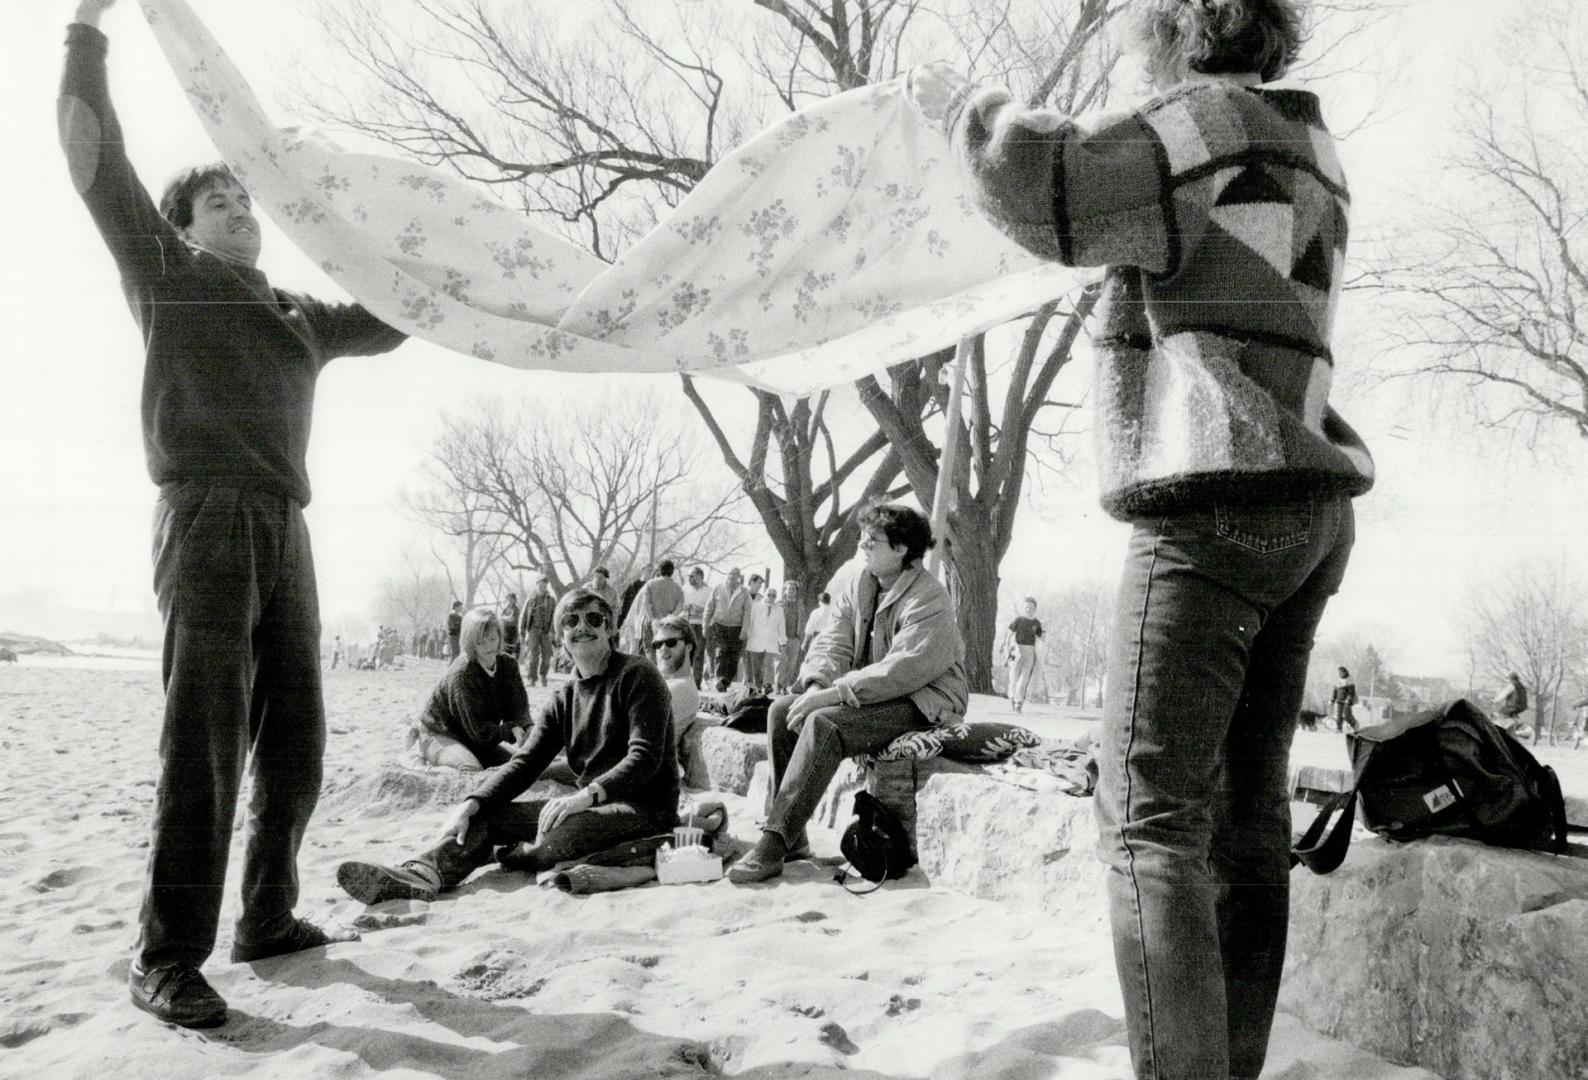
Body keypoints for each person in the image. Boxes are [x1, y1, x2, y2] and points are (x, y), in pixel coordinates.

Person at [941, 0, 1374, 1074]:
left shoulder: (1200, 122)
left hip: (1213, 504)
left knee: (1145, 822)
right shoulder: (1308, 144)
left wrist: (952, 105)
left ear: (1179, 29)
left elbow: (1040, 188)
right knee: (1244, 822)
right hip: (1311, 509)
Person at [59, 0, 420, 1029]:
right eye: (217, 201)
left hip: (286, 529)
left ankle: (267, 915)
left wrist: (449, 259)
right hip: (206, 517)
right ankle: (166, 954)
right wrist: (86, 28)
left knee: (297, 739)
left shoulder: (300, 316)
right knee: (205, 741)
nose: (240, 211)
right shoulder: (170, 278)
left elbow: (400, 313)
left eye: (245, 202)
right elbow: (92, 155)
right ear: (181, 228)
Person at [336, 587, 681, 905]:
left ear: (609, 629)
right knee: (486, 819)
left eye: (594, 619)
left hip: (645, 808)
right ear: (559, 636)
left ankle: (503, 852)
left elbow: (644, 757)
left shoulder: (638, 674)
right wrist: (473, 803)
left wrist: (584, 795)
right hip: (588, 806)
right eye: (570, 621)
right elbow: (527, 762)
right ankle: (421, 874)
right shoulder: (565, 696)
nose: (582, 628)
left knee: (560, 836)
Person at [729, 504, 968, 883]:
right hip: (870, 695)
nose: (862, 545)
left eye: (872, 540)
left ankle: (773, 842)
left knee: (826, 723)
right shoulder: (860, 584)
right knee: (781, 711)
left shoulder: (930, 597)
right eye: (863, 537)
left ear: (902, 548)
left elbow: (901, 672)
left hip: (923, 700)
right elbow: (832, 645)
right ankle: (793, 841)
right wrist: (813, 686)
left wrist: (827, 698)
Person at [407, 608, 529, 770]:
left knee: (526, 766)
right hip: (441, 732)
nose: (488, 646)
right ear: (470, 643)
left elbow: (518, 708)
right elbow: (477, 731)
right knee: (470, 768)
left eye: (492, 638)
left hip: (475, 737)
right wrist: (508, 731)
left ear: (500, 635)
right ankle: (418, 762)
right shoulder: (462, 673)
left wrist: (527, 728)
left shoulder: (509, 665)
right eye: (480, 642)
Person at [650, 612, 702, 760]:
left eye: (671, 642)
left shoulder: (682, 688)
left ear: (688, 647)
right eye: (658, 644)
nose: (663, 649)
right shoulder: (663, 684)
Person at [703, 567, 750, 693]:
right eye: (730, 575)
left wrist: (745, 630)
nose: (732, 578)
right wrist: (705, 625)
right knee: (721, 651)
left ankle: (726, 681)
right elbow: (709, 608)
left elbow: (747, 612)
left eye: (735, 576)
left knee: (734, 656)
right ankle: (719, 679)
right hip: (719, 625)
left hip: (736, 627)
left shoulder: (744, 592)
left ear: (739, 578)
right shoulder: (718, 588)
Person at [742, 575, 785, 696]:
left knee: (768, 664)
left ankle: (767, 685)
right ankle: (757, 687)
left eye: (773, 595)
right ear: (765, 595)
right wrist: (746, 634)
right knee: (756, 666)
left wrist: (783, 641)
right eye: (769, 594)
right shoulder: (756, 606)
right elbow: (750, 622)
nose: (771, 597)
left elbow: (781, 626)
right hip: (756, 640)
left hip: (770, 641)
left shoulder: (779, 609)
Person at [1001, 597, 1044, 713]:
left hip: (1029, 652)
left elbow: (1041, 638)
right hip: (1017, 651)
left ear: (1035, 609)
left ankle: (1018, 703)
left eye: (1031, 607)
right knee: (1014, 676)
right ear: (1023, 608)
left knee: (1024, 679)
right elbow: (1008, 635)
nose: (1028, 609)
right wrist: (1007, 651)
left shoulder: (1036, 623)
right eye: (1026, 607)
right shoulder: (1018, 621)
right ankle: (1012, 699)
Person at [631, 559, 685, 650]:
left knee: (649, 650)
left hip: (651, 622)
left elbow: (645, 603)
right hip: (668, 624)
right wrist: (669, 618)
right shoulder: (678, 588)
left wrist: (652, 618)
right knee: (664, 650)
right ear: (672, 572)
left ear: (660, 570)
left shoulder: (650, 584)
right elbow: (680, 607)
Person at [518, 577, 558, 688]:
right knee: (532, 656)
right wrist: (521, 632)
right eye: (540, 585)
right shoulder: (530, 600)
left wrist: (553, 631)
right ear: (536, 586)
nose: (542, 587)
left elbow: (555, 617)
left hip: (546, 631)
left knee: (546, 655)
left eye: (545, 585)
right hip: (533, 631)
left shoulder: (551, 600)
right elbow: (523, 616)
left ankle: (543, 676)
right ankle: (531, 679)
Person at [682, 566, 712, 687]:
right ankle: (684, 681)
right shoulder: (684, 589)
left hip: (700, 625)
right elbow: (679, 606)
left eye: (692, 576)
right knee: (685, 653)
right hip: (686, 624)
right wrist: (685, 607)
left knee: (698, 654)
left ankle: (696, 682)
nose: (689, 578)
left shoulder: (709, 591)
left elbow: (713, 610)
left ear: (700, 576)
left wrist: (702, 610)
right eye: (688, 576)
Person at [775, 580, 807, 694]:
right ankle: (777, 686)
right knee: (781, 663)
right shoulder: (780, 604)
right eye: (789, 589)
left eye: (793, 589)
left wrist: (800, 637)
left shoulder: (800, 605)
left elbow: (802, 622)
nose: (791, 591)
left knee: (791, 664)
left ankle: (784, 686)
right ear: (785, 591)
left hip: (795, 638)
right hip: (782, 638)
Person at [801, 591, 832, 665]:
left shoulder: (816, 612)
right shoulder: (833, 612)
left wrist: (805, 643)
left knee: (813, 659)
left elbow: (810, 629)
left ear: (820, 602)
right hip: (829, 638)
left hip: (817, 637)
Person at [617, 565, 650, 630]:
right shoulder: (633, 583)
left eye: (652, 571)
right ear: (643, 571)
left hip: (638, 615)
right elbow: (623, 597)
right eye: (649, 571)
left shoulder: (649, 586)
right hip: (626, 612)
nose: (650, 573)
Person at [1331, 666, 1359, 733]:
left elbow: (1351, 691)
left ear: (1345, 672)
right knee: (1339, 715)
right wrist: (1332, 700)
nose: (1339, 674)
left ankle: (1354, 725)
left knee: (1347, 716)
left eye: (1341, 672)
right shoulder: (1338, 681)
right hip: (1339, 700)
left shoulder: (1349, 680)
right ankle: (1339, 729)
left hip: (1346, 701)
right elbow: (1335, 691)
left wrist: (1349, 699)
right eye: (1339, 672)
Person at [499, 592, 520, 661]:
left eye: (512, 599)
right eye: (508, 599)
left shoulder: (516, 609)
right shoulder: (505, 609)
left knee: (511, 647)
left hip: (513, 630)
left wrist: (504, 618)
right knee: (503, 647)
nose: (510, 601)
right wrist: (505, 618)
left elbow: (512, 619)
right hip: (505, 630)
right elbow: (500, 617)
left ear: (514, 600)